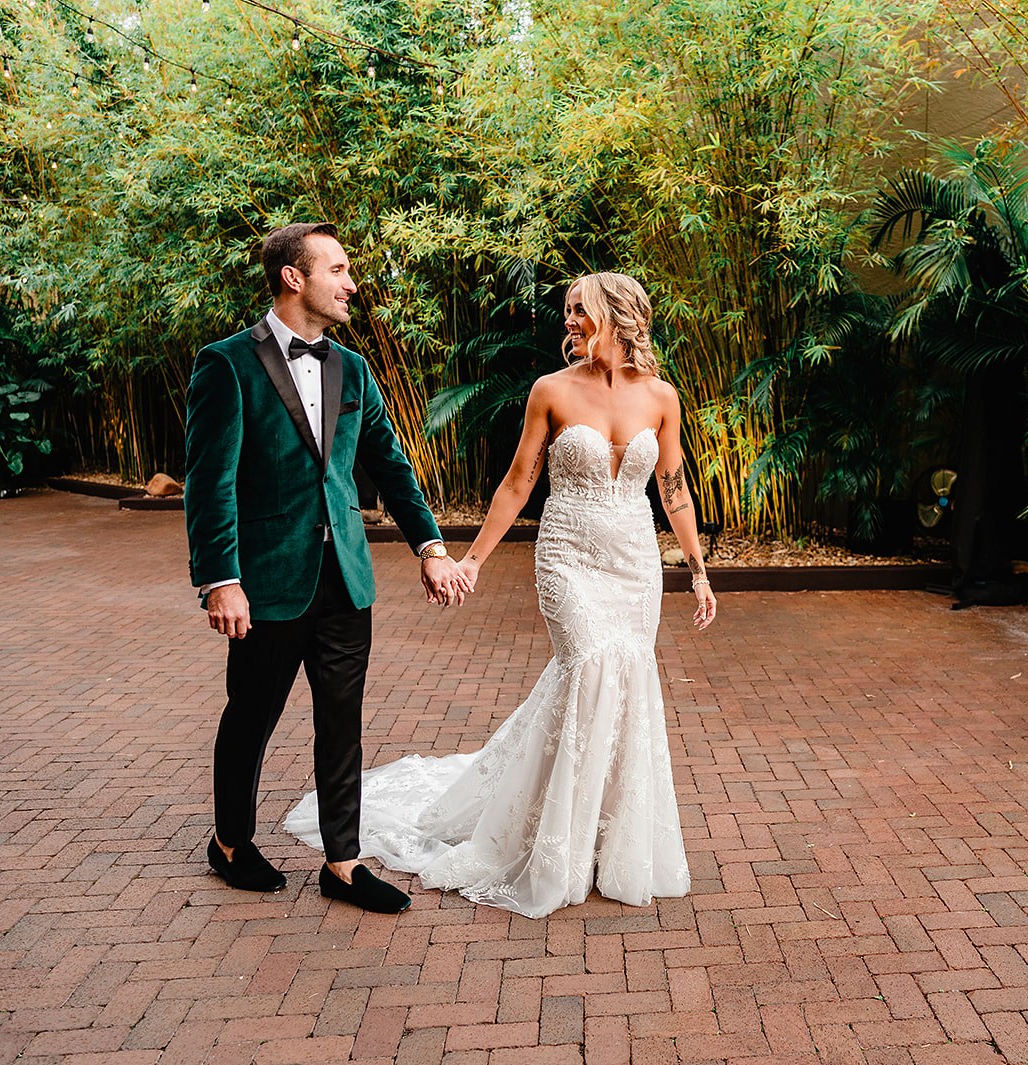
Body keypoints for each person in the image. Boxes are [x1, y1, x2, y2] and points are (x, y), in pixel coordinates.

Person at [285, 271, 717, 917]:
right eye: (567, 310)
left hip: (634, 563)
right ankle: (552, 841)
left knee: (625, 682)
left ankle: (606, 834)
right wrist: (472, 560)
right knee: (589, 665)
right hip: (568, 556)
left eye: (578, 310)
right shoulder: (551, 390)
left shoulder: (661, 396)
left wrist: (699, 570)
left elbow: (674, 488)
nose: (567, 321)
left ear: (614, 315)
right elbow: (518, 482)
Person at [185, 222, 470, 914]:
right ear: (294, 277)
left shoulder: (353, 368)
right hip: (267, 580)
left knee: (342, 723)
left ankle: (342, 863)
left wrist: (430, 547)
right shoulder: (226, 364)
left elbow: (390, 465)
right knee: (252, 716)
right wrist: (221, 579)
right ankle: (230, 843)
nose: (351, 284)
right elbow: (209, 482)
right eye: (337, 270)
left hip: (345, 574)